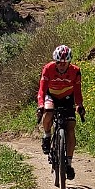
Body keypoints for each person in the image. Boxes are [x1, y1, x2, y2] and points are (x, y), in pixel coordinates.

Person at [38, 44, 85, 179]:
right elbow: (42, 89)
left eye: (65, 63)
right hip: (51, 95)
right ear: (55, 61)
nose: (61, 65)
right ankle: (47, 136)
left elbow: (77, 91)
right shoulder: (48, 69)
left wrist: (79, 105)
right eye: (59, 62)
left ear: (69, 62)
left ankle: (68, 164)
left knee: (70, 128)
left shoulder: (75, 71)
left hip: (67, 98)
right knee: (48, 111)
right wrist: (40, 105)